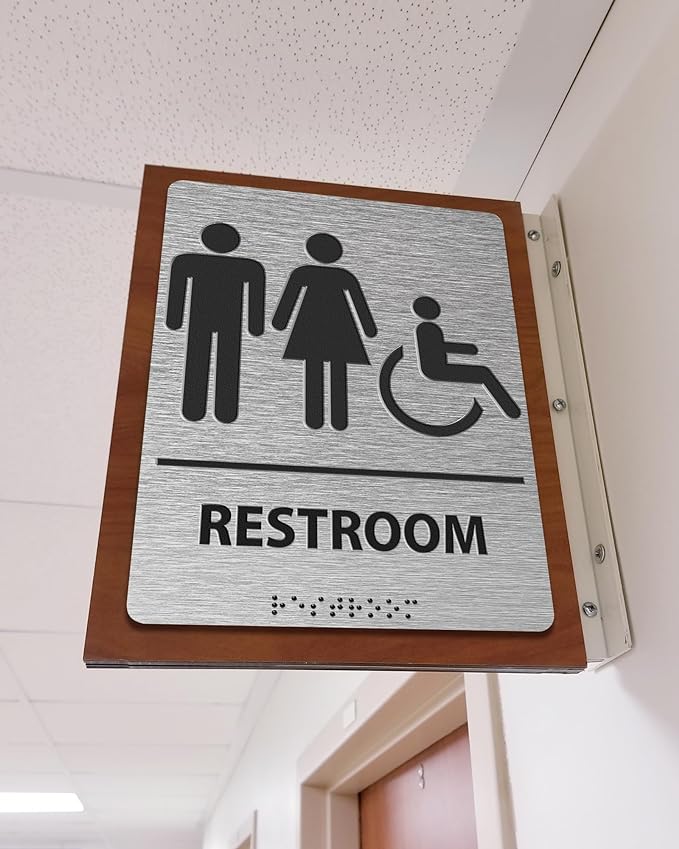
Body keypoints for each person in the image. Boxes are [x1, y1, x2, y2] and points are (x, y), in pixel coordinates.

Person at [272, 233, 377, 430]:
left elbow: (289, 299)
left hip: (314, 324)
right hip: (338, 326)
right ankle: (332, 418)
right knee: (334, 369)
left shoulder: (306, 273)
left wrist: (280, 322)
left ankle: (319, 417)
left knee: (317, 368)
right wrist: (368, 329)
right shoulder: (341, 276)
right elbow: (359, 304)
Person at [166, 223, 265, 423]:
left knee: (199, 358)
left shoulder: (190, 262)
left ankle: (197, 408)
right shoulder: (247, 267)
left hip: (203, 319)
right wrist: (255, 326)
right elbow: (256, 293)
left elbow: (177, 288)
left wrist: (174, 320)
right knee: (224, 360)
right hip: (226, 320)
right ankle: (222, 410)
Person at [413, 296, 520, 418]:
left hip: (440, 366)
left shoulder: (432, 328)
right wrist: (467, 349)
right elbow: (436, 349)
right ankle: (509, 409)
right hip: (435, 369)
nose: (435, 309)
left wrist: (467, 349)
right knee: (483, 373)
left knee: (483, 373)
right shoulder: (426, 328)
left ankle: (509, 409)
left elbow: (440, 348)